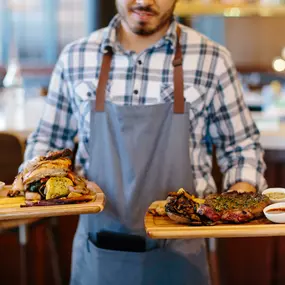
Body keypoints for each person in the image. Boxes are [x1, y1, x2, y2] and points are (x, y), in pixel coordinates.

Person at [24, 0, 267, 284]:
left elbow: (242, 148)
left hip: (181, 257)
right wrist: (34, 183)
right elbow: (46, 141)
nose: (143, 0)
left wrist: (239, 199)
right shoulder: (75, 58)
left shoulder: (212, 59)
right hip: (98, 257)